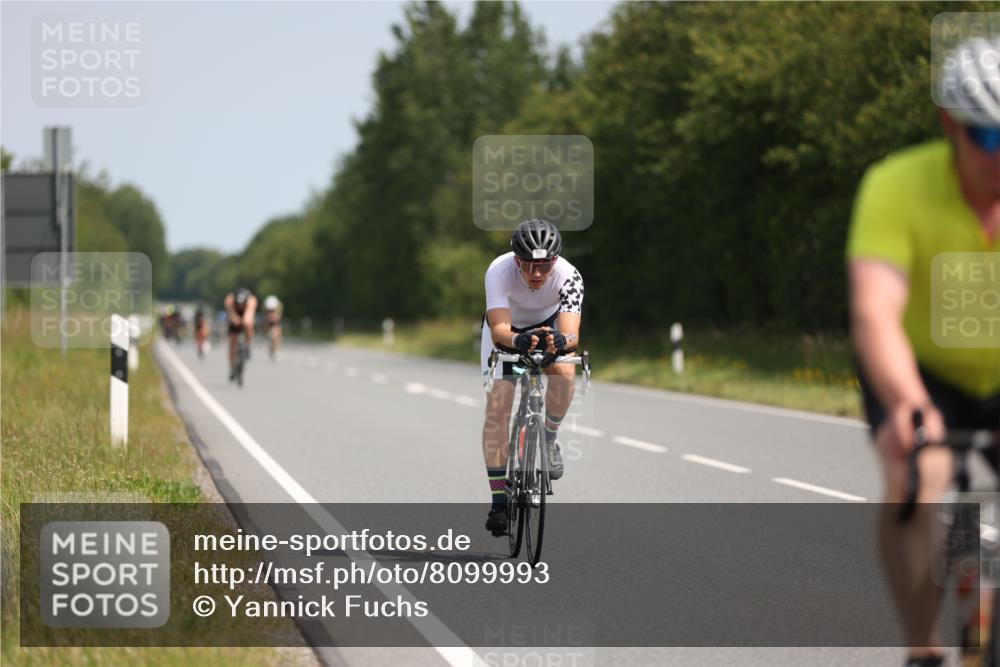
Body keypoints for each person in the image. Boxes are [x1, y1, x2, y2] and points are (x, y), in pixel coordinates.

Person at [847, 36, 1000, 667]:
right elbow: (875, 311)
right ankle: (925, 647)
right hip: (920, 364)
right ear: (950, 126)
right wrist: (911, 406)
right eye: (987, 139)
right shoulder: (897, 186)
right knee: (918, 470)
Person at [480, 219, 584, 535]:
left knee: (565, 372)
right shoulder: (498, 271)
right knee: (498, 409)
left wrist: (560, 342)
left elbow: (570, 334)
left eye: (544, 266)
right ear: (517, 261)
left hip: (549, 325)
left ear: (555, 261)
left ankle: (549, 437)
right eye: (529, 266)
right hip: (508, 331)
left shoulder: (570, 277)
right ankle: (499, 500)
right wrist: (518, 340)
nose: (537, 274)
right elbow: (499, 329)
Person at [224, 286, 258, 381]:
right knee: (232, 342)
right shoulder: (230, 300)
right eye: (238, 303)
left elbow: (249, 314)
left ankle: (248, 345)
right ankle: (232, 367)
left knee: (249, 325)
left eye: (242, 303)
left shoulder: (251, 300)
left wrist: (245, 320)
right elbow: (231, 313)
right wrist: (235, 319)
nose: (240, 305)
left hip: (245, 316)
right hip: (234, 316)